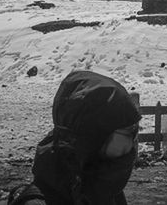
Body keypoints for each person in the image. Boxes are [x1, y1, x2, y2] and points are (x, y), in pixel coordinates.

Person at [8, 70, 141, 205]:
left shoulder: (104, 189)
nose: (132, 143)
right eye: (127, 133)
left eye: (135, 131)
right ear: (93, 138)